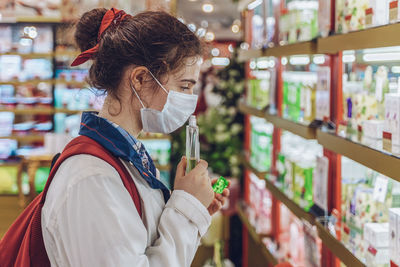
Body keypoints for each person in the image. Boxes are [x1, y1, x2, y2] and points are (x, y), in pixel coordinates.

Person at [41, 8, 229, 266]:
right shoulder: (92, 178)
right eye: (184, 86)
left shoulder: (122, 158)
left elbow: (144, 247)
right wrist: (186, 209)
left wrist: (194, 207)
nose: (190, 99)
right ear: (140, 78)